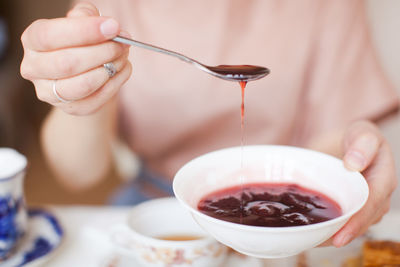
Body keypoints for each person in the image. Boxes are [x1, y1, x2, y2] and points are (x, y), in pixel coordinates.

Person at [20, 0, 399, 248]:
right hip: (157, 209)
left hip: (282, 231)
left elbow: (329, 144)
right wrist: (79, 92)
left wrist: (348, 166)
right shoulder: (112, 10)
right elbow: (79, 173)